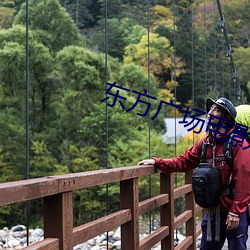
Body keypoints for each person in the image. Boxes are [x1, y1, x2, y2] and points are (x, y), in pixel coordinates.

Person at [137, 97, 250, 250]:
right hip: (213, 211)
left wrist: (236, 212)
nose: (210, 112)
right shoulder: (205, 143)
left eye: (216, 110)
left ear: (227, 118)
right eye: (210, 109)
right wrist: (158, 162)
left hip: (233, 211)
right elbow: (184, 161)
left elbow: (244, 179)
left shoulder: (239, 144)